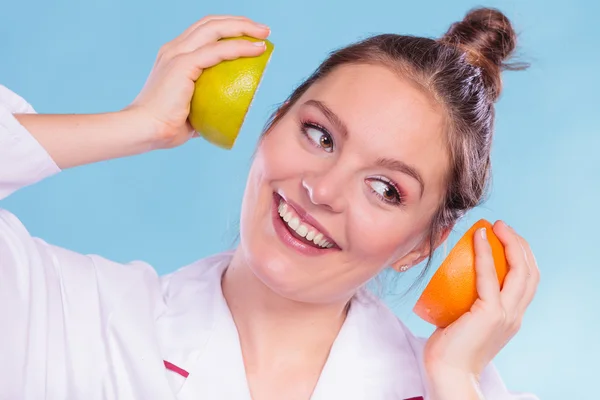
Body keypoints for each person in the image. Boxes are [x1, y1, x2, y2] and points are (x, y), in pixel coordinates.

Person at [0, 7, 540, 400]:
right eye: (319, 135)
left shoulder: (459, 387)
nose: (322, 191)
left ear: (422, 243)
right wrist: (136, 126)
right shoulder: (73, 316)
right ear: (271, 123)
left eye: (385, 189)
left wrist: (452, 379)